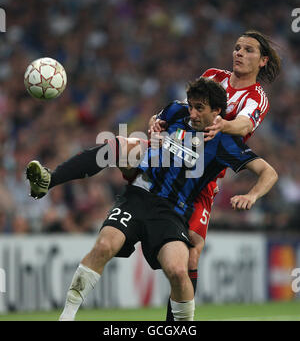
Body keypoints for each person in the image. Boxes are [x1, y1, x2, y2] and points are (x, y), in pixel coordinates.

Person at [26, 77, 278, 321]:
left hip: (172, 212)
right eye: (191, 106)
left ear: (217, 111)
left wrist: (252, 195)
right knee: (104, 244)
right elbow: (156, 121)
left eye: (199, 109)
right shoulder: (176, 111)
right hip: (138, 194)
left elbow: (269, 172)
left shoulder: (226, 143)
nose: (192, 113)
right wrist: (154, 124)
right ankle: (66, 316)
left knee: (179, 271)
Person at [148, 30, 281, 320]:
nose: (239, 53)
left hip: (204, 177)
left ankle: (178, 323)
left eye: (248, 50)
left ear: (262, 61)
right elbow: (187, 108)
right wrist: (159, 120)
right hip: (174, 161)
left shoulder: (257, 97)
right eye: (237, 48)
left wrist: (223, 124)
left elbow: (244, 124)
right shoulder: (212, 76)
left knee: (192, 251)